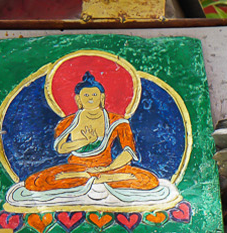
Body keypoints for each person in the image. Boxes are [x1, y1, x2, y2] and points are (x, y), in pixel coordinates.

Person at [21, 72, 161, 193]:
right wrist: (86, 141)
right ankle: (92, 178)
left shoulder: (118, 121)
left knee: (149, 180)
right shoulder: (68, 122)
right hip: (76, 168)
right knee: (35, 181)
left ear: (102, 98)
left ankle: (97, 179)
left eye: (94, 94)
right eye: (86, 95)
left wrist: (107, 169)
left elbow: (128, 152)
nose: (90, 98)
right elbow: (61, 148)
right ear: (78, 99)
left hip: (108, 168)